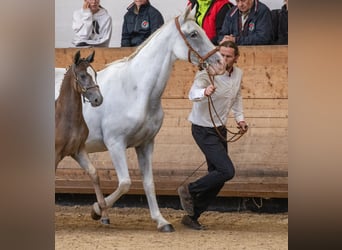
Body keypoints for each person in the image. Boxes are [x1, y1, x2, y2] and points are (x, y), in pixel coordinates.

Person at [178, 41, 248, 230]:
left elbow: (237, 98)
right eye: (221, 55)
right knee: (227, 171)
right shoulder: (207, 72)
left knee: (218, 176)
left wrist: (240, 119)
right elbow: (192, 94)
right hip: (202, 128)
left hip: (220, 129)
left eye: (228, 56)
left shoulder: (238, 74)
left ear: (235, 58)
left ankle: (193, 216)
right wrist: (204, 91)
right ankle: (189, 190)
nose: (223, 59)